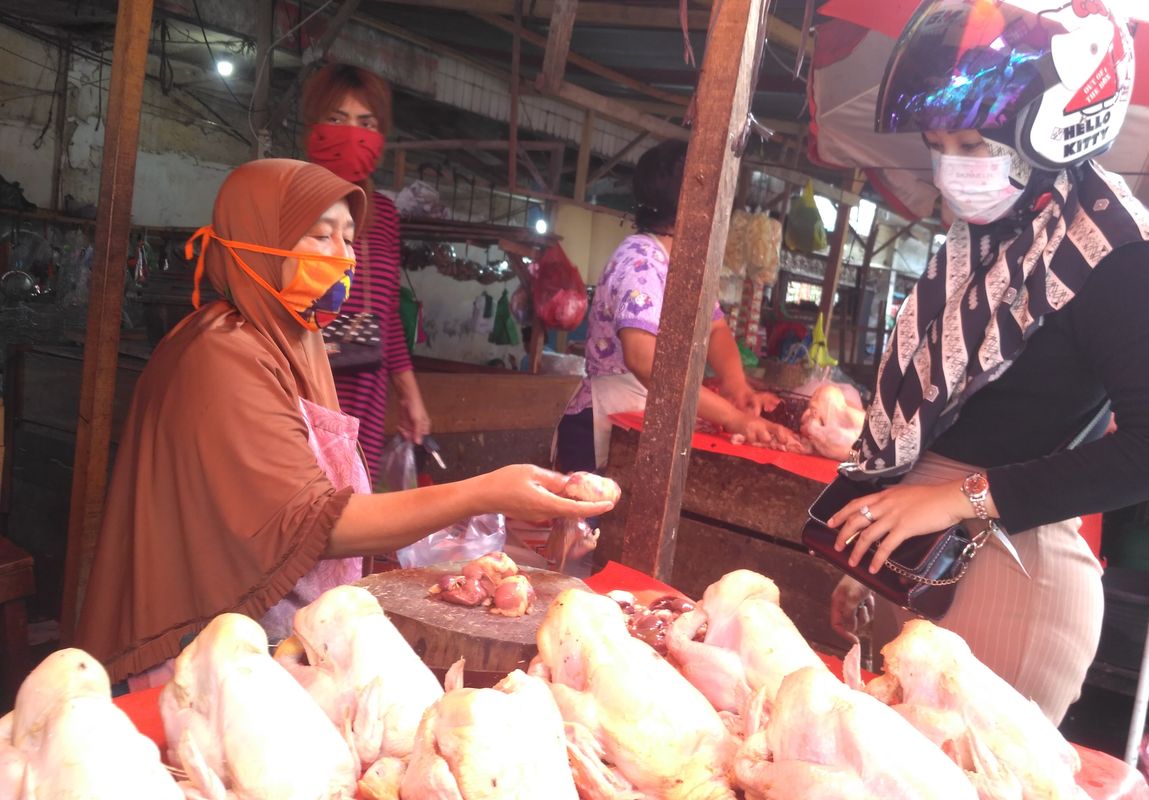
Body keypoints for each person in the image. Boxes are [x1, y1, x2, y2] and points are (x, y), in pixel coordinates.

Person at [76, 160, 613, 684]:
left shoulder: (296, 337)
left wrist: (496, 534)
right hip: (204, 658)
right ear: (259, 238)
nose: (343, 257)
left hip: (280, 642)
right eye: (319, 235)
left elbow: (329, 496)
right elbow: (311, 523)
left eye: (349, 238)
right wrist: (485, 493)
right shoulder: (220, 355)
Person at [825, 0, 1149, 725]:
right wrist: (876, 552)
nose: (950, 168)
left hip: (1009, 573)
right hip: (930, 553)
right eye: (939, 144)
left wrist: (956, 497)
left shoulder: (1119, 251)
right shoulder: (1002, 230)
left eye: (972, 144)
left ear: (1057, 128)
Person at [556, 140, 798, 472]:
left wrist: (737, 385)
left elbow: (715, 328)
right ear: (695, 204)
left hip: (646, 418)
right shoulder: (640, 260)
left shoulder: (684, 267)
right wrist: (731, 417)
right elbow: (643, 359)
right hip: (603, 424)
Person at [302, 63, 430, 475]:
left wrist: (410, 395)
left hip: (364, 387)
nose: (351, 133)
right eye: (336, 119)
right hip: (299, 380)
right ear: (313, 125)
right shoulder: (286, 199)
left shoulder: (385, 216)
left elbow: (387, 312)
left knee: (353, 505)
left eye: (365, 122)